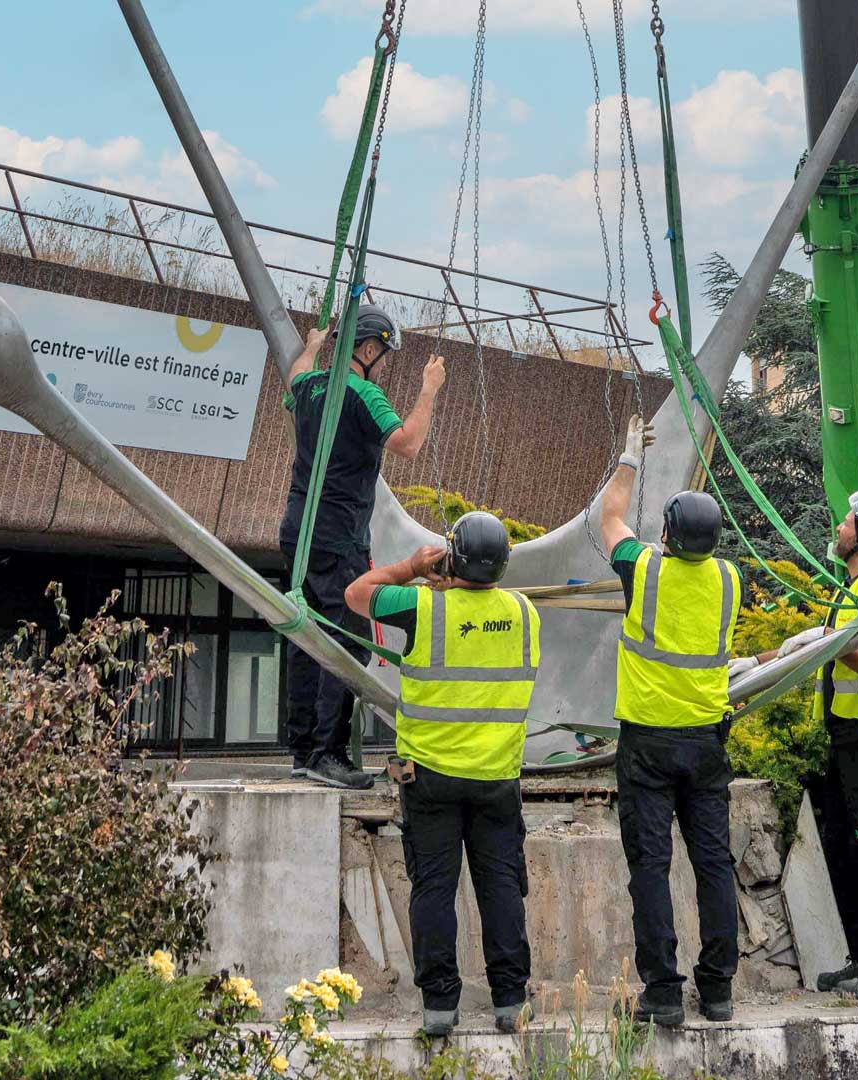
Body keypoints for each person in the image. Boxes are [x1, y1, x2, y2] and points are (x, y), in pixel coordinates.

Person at [343, 511, 537, 1039]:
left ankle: (439, 1009)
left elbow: (357, 594)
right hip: (497, 778)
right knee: (500, 888)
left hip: (428, 778)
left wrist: (411, 566)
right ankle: (510, 1002)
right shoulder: (524, 613)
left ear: (451, 557)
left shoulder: (421, 606)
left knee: (433, 889)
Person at [732, 489, 858, 999]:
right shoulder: (854, 587)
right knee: (847, 848)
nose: (838, 529)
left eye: (846, 522)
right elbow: (828, 642)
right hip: (851, 737)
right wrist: (760, 661)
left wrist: (830, 643)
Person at [596, 417, 742, 1026]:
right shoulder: (732, 580)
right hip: (707, 743)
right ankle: (717, 991)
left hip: (648, 745)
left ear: (668, 534)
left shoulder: (645, 570)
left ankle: (661, 993)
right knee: (714, 864)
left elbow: (607, 521)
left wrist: (628, 458)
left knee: (651, 866)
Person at [280, 304, 445, 789]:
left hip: (298, 529)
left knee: (304, 634)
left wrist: (311, 346)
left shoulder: (311, 388)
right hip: (339, 536)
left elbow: (296, 376)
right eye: (385, 355)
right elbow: (408, 444)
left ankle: (302, 748)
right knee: (345, 640)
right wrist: (429, 388)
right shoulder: (364, 394)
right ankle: (327, 753)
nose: (387, 365)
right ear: (368, 350)